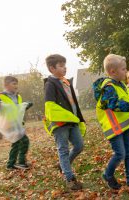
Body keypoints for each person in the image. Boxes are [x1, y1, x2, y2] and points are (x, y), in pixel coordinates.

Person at [93, 54, 129, 191]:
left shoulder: (120, 85)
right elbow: (114, 104)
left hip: (124, 125)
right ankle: (108, 174)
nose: (125, 72)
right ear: (113, 71)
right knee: (120, 154)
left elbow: (127, 97)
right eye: (123, 69)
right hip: (114, 128)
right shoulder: (109, 87)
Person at [43, 54, 86, 190]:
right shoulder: (50, 84)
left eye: (64, 65)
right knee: (63, 150)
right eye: (61, 66)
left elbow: (74, 103)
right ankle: (69, 179)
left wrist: (79, 118)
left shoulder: (67, 82)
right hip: (60, 124)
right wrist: (65, 116)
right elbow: (50, 105)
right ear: (52, 68)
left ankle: (63, 165)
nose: (64, 68)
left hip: (72, 122)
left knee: (79, 146)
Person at [0, 76, 33, 170]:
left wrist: (26, 106)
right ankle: (21, 162)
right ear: (6, 85)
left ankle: (11, 165)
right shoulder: (0, 96)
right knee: (24, 141)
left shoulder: (18, 96)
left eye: (17, 83)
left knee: (16, 143)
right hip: (9, 124)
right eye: (14, 83)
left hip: (17, 123)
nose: (16, 86)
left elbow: (18, 109)